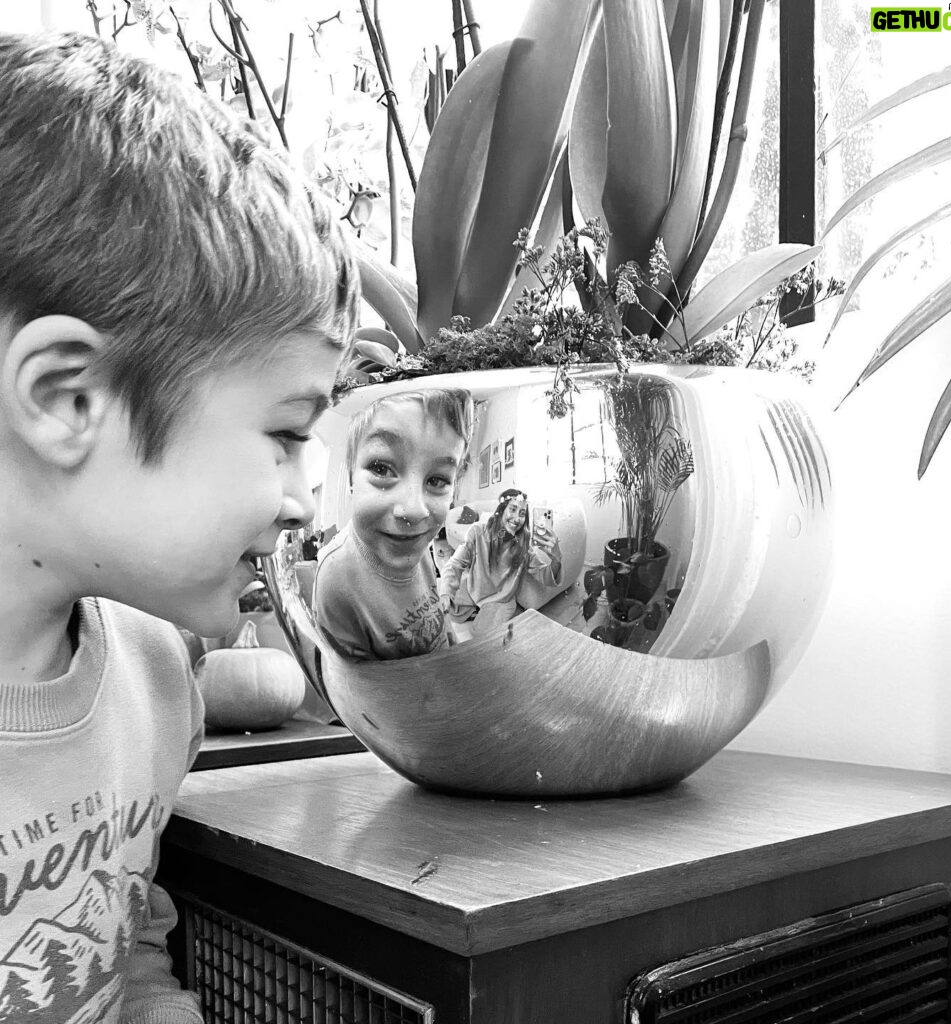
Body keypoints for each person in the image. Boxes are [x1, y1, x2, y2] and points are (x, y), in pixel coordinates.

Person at [0, 32, 357, 1023]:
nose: (308, 497)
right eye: (287, 432)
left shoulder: (161, 674)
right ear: (72, 400)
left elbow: (121, 937)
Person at [314, 389, 474, 660]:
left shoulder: (413, 540)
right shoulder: (336, 578)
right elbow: (358, 688)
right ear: (351, 477)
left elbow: (436, 613)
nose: (414, 511)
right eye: (381, 468)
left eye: (437, 480)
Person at [439, 488, 563, 636]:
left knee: (480, 634)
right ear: (502, 510)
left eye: (522, 514)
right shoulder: (477, 531)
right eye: (513, 509)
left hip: (500, 600)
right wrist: (446, 594)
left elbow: (546, 576)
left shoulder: (523, 547)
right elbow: (455, 563)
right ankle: (476, 609)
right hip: (475, 589)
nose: (517, 519)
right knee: (449, 605)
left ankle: (506, 613)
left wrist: (556, 558)